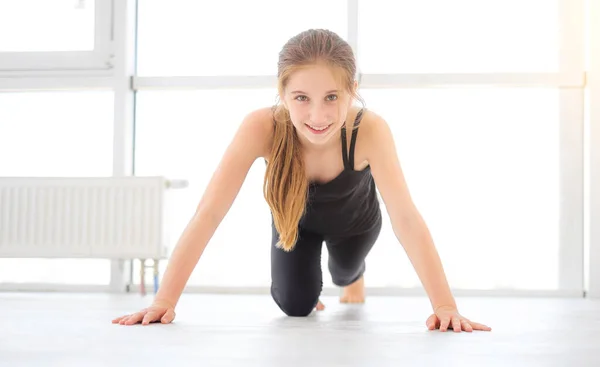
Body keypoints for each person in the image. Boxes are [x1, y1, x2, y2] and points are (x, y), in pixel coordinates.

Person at [112, 28, 491, 333]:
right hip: (294, 224)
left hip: (356, 225)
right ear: (282, 93)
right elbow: (208, 213)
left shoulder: (369, 130)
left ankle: (352, 277)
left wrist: (444, 306)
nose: (318, 115)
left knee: (343, 270)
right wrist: (165, 301)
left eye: (331, 97)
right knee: (296, 306)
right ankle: (312, 282)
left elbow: (406, 218)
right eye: (301, 98)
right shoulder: (260, 127)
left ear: (351, 91)